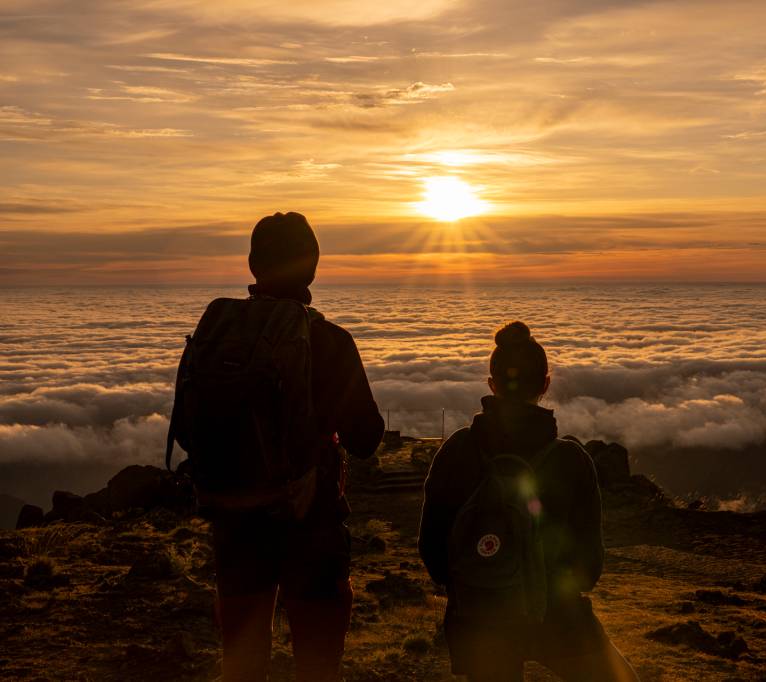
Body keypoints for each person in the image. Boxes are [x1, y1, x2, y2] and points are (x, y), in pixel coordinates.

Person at [169, 212, 384, 681]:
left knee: (242, 667)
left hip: (234, 521)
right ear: (313, 267)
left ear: (252, 266)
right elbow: (367, 439)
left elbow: (186, 431)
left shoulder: (213, 337)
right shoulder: (329, 341)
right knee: (317, 668)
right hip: (312, 525)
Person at [418, 321, 638, 682]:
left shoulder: (456, 451)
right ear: (546, 385)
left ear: (491, 385)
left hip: (477, 619)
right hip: (559, 617)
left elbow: (433, 553)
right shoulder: (571, 460)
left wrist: (483, 579)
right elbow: (588, 570)